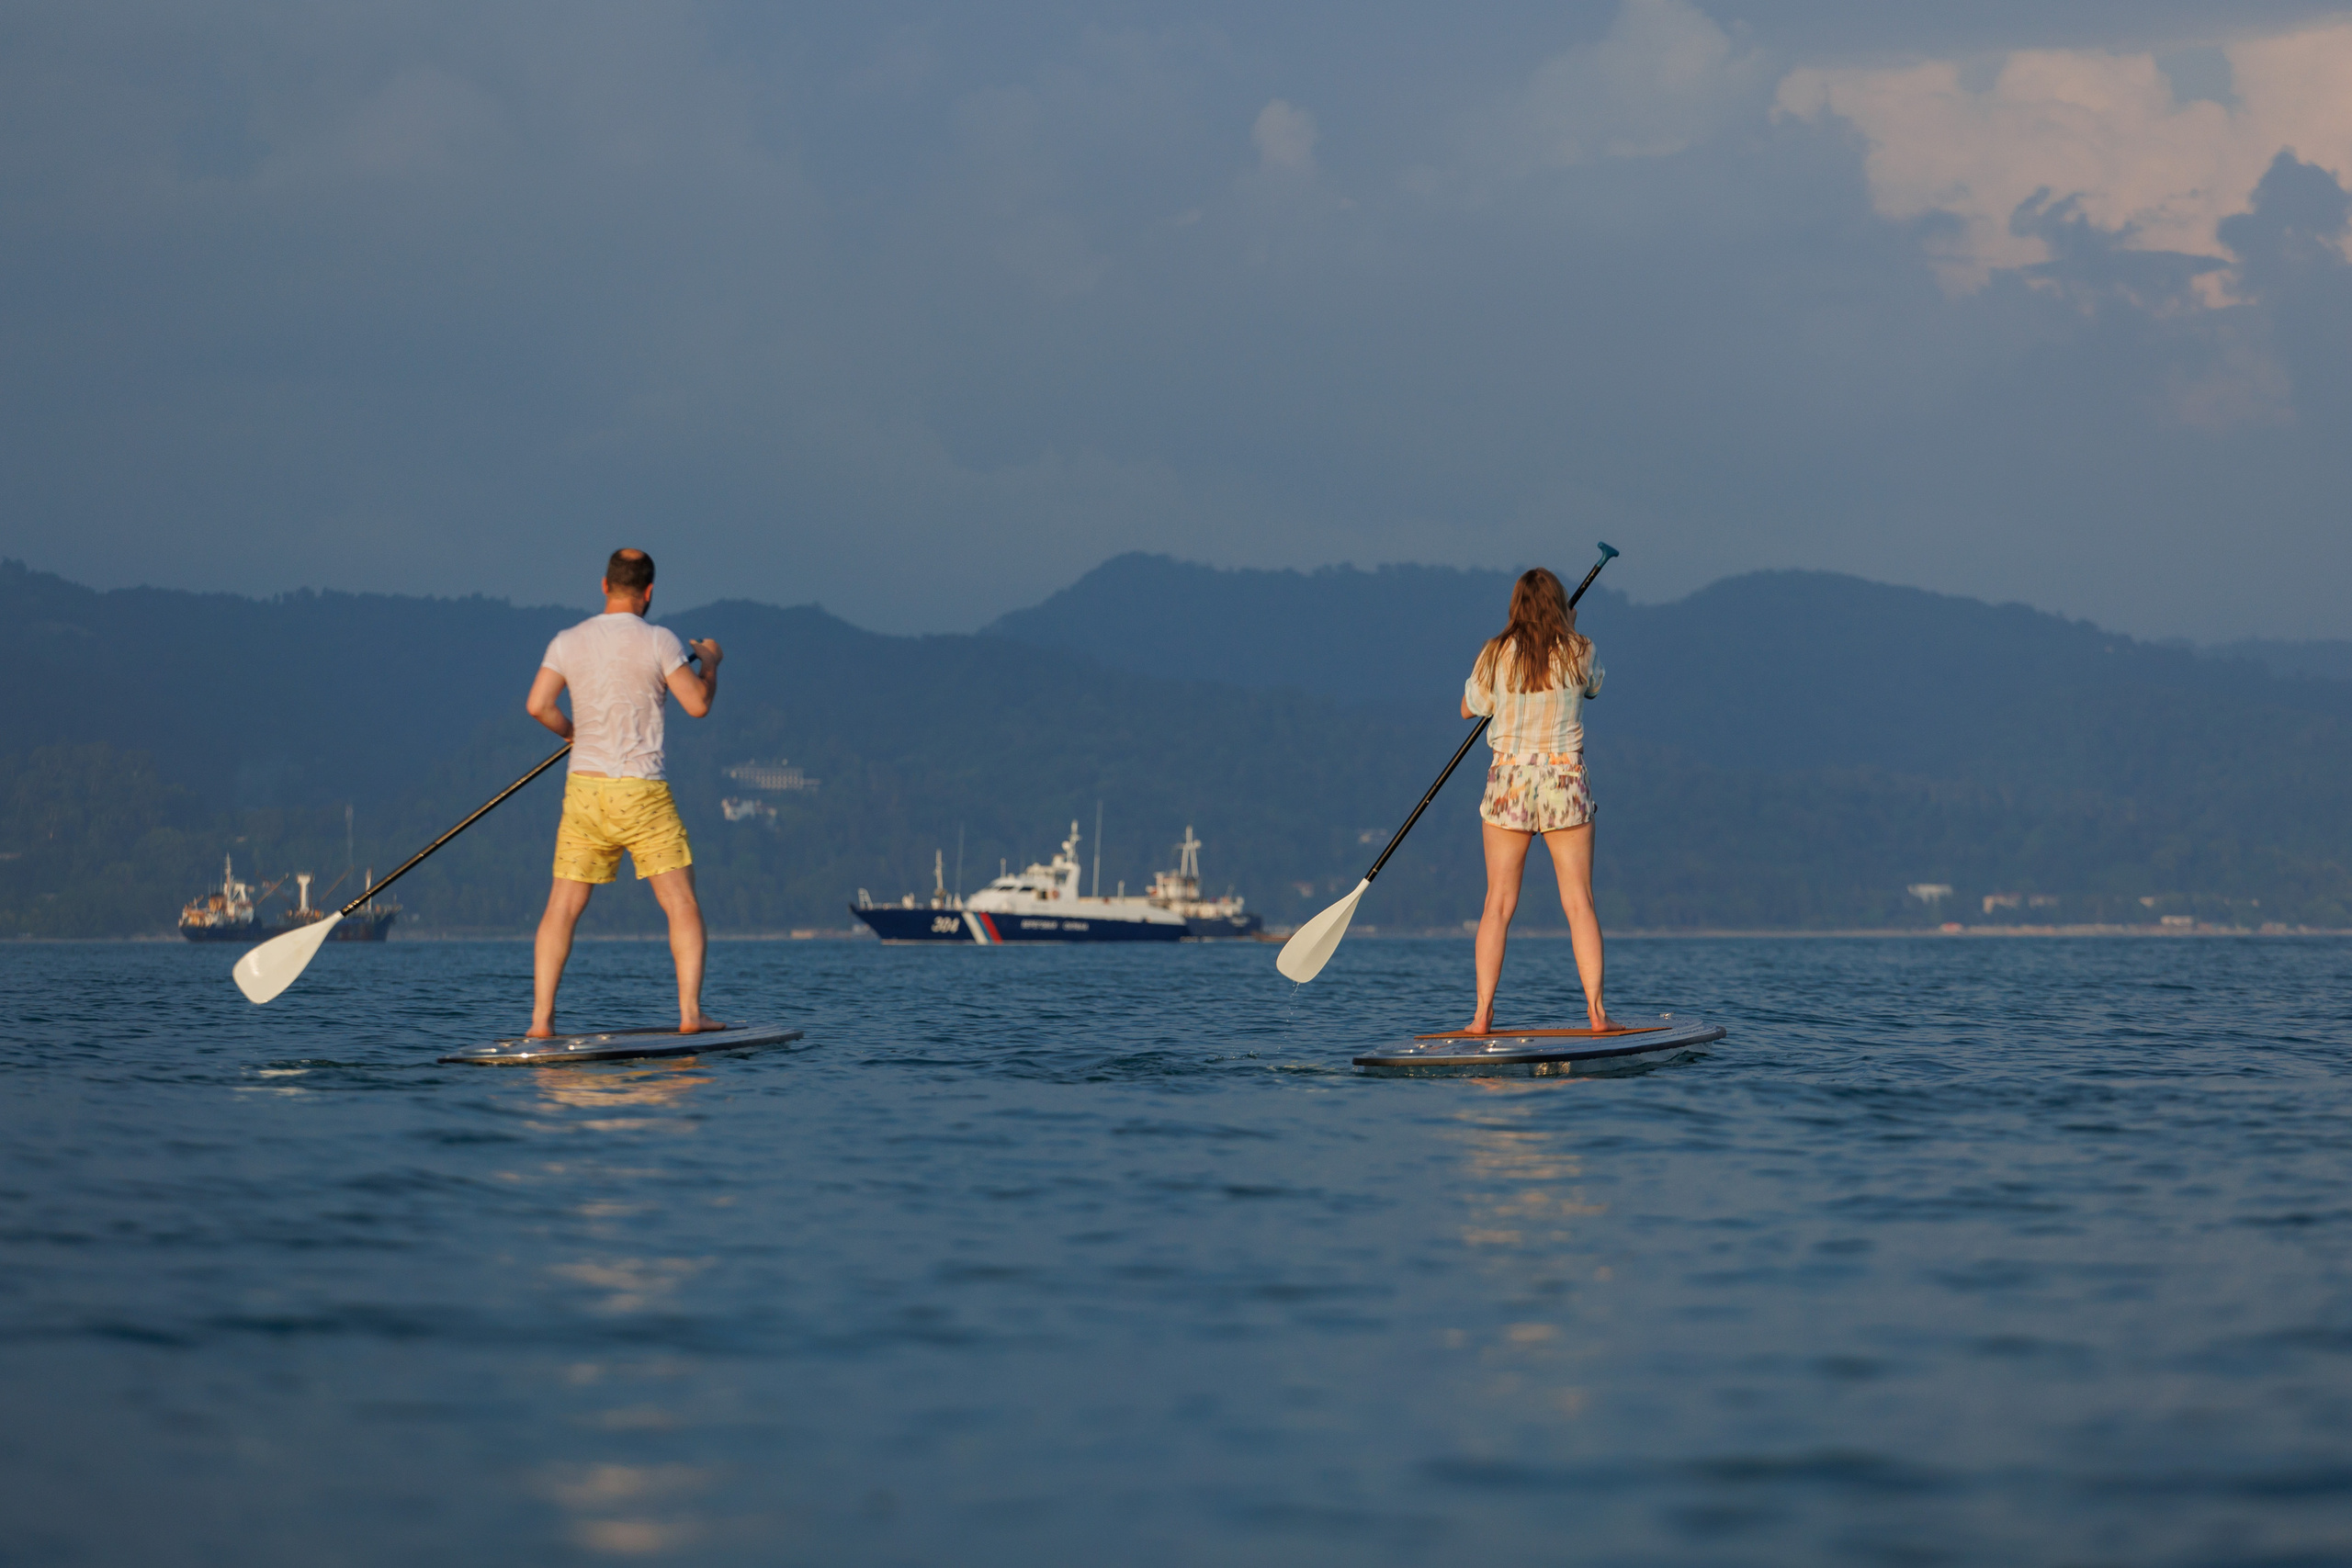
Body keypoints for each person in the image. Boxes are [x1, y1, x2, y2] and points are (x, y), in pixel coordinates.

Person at [523, 548, 727, 1039]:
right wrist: (712, 665)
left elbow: (537, 706)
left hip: (585, 792)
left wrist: (572, 731)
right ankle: (691, 1015)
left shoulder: (567, 641)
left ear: (604, 586)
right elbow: (696, 705)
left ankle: (541, 1022)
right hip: (641, 792)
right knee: (680, 903)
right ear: (650, 592)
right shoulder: (660, 640)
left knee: (562, 907)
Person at [1461, 567, 1611, 1034]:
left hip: (1509, 780)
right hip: (1565, 779)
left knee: (1498, 905)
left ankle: (1482, 1014)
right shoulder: (1581, 649)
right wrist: (1569, 627)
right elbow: (1595, 686)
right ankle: (1597, 1013)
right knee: (1579, 902)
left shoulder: (1495, 652)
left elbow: (1470, 707)